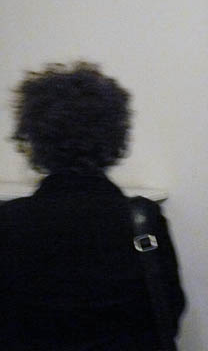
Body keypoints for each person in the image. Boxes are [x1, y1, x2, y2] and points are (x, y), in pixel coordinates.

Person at [0, 62, 185, 351]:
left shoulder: (9, 222)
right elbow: (169, 312)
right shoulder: (143, 219)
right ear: (114, 135)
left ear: (35, 138)